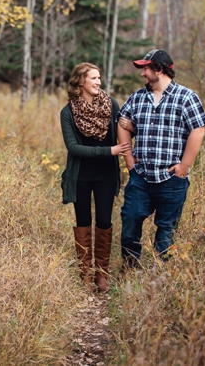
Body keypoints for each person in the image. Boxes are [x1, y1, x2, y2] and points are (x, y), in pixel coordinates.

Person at [117, 49, 205, 266]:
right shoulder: (138, 97)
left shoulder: (186, 97)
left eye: (146, 69)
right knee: (130, 219)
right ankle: (130, 267)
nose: (142, 74)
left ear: (159, 70)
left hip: (171, 177)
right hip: (141, 176)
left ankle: (163, 275)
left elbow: (198, 130)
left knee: (166, 229)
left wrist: (184, 165)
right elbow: (122, 122)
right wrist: (129, 159)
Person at [60, 63, 132, 292]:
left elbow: (123, 131)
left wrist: (133, 129)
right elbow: (73, 148)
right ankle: (85, 273)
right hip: (80, 174)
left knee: (104, 221)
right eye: (93, 78)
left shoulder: (111, 105)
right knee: (83, 222)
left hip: (106, 174)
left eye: (99, 77)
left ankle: (102, 273)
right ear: (80, 81)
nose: (98, 82)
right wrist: (109, 151)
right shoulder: (68, 112)